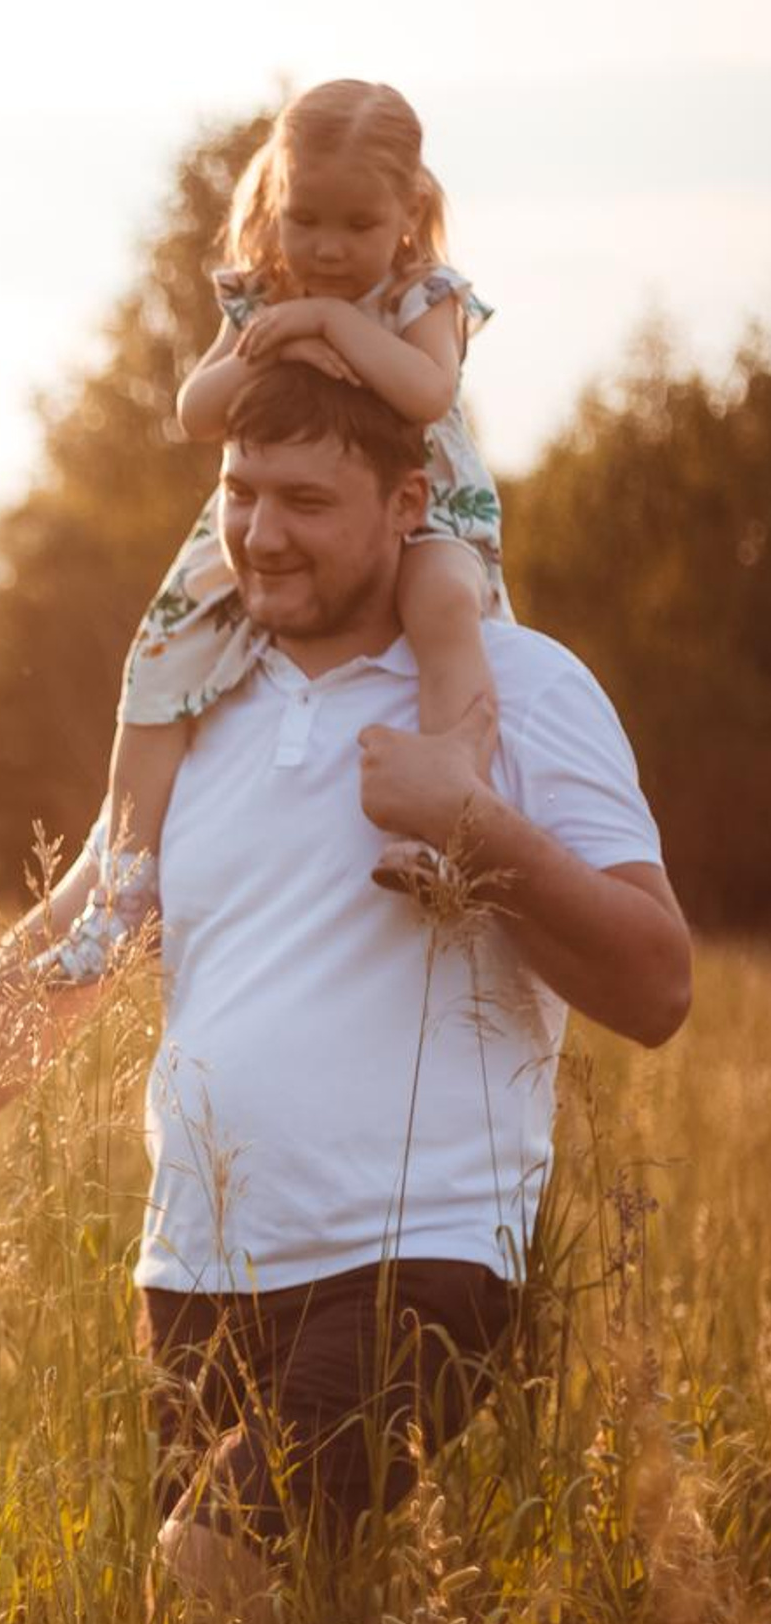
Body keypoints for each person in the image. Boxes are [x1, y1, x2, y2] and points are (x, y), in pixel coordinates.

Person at [0, 364, 690, 1598]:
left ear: (409, 503)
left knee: (204, 1574)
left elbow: (658, 985)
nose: (260, 533)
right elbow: (64, 959)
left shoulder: (519, 689)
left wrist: (472, 821)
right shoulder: (195, 704)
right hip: (194, 1277)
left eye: (304, 498)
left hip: (419, 1259)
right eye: (239, 492)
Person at [45, 79, 510, 982]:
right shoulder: (265, 295)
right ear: (275, 203)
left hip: (427, 502)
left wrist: (332, 320)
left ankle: (450, 828)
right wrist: (285, 337)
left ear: (409, 212)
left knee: (446, 609)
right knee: (161, 651)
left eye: (357, 225)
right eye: (307, 221)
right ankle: (124, 888)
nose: (329, 250)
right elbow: (196, 411)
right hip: (277, 503)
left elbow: (427, 393)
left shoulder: (424, 294)